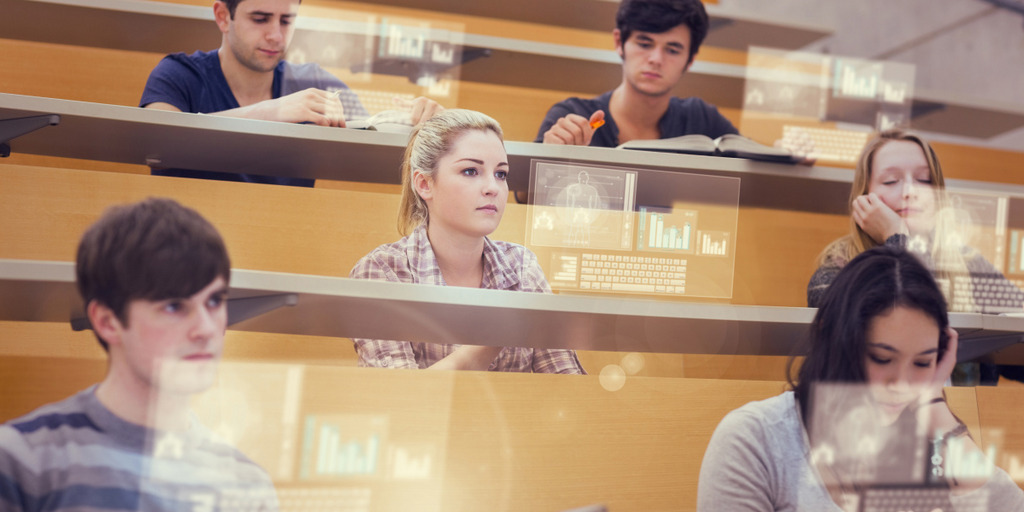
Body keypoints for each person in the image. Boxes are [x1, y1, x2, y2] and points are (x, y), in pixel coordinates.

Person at [0, 198, 278, 511]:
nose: (206, 328)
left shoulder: (247, 486)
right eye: (174, 306)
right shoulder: (21, 460)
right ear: (108, 322)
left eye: (214, 301)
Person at [698, 245, 1024, 511]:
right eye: (882, 358)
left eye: (922, 363)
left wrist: (935, 405)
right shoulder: (755, 440)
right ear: (836, 340)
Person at [349, 109, 586, 373]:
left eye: (501, 174)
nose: (493, 188)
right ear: (425, 184)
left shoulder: (522, 266)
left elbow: (565, 383)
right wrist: (496, 338)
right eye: (471, 171)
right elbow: (401, 399)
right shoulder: (382, 270)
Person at [139, 0, 443, 186]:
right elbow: (159, 144)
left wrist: (429, 123)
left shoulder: (315, 82)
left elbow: (375, 138)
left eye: (287, 21)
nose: (275, 35)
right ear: (222, 16)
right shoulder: (177, 74)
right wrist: (271, 112)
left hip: (281, 242)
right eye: (260, 19)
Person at [535, 0, 738, 148]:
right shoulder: (574, 116)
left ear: (691, 59)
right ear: (619, 43)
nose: (656, 59)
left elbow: (756, 168)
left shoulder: (701, 119)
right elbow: (523, 193)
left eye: (673, 50)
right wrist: (549, 154)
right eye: (644, 44)